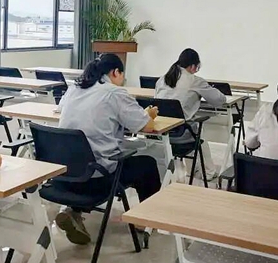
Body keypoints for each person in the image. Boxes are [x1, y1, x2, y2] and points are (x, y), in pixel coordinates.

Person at [56, 53, 161, 245]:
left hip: (64, 176)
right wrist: (150, 114)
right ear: (115, 72)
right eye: (122, 75)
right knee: (147, 164)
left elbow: (60, 110)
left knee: (85, 154)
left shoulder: (74, 89)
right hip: (98, 181)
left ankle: (73, 211)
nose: (123, 80)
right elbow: (146, 126)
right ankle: (146, 221)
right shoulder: (115, 93)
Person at [155, 48, 226, 180]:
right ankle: (209, 172)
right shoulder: (195, 81)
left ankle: (191, 170)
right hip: (181, 134)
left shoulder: (162, 79)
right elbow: (219, 100)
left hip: (162, 133)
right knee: (197, 128)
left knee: (189, 122)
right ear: (193, 66)